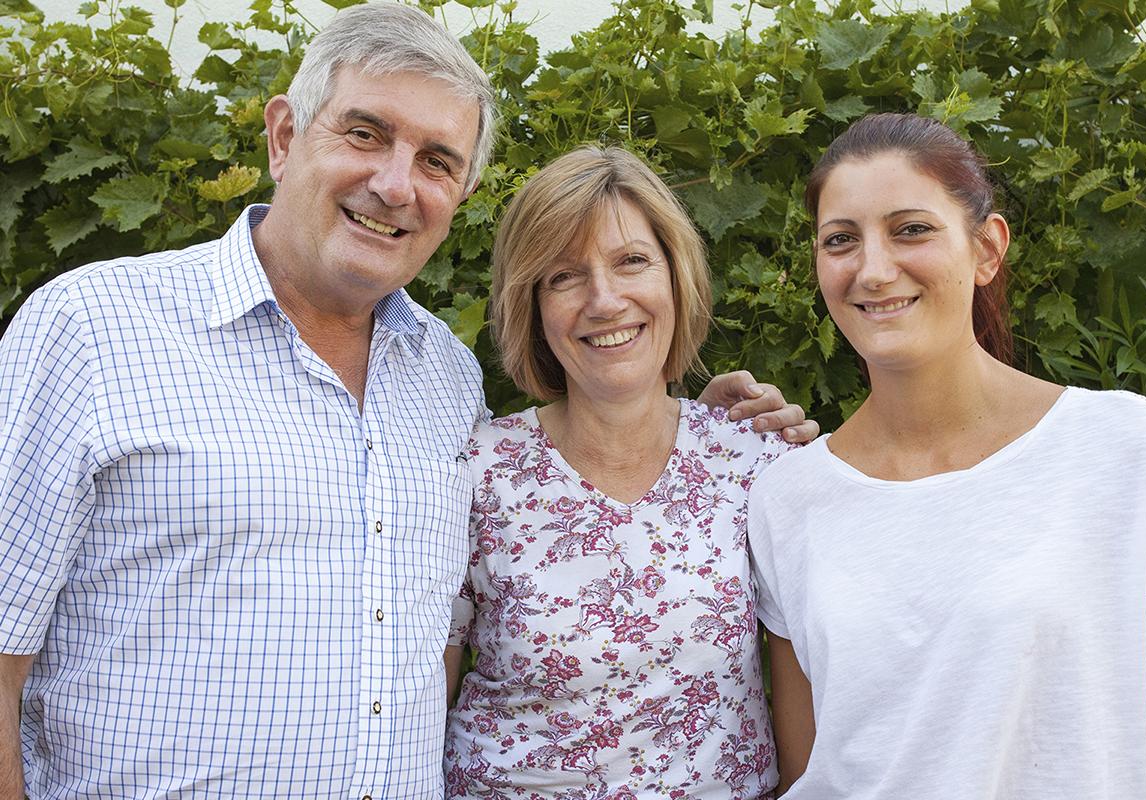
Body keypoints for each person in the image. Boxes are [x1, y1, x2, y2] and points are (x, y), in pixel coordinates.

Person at [0, 5, 812, 799]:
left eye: (435, 160)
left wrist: (708, 426)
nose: (395, 184)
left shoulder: (443, 379)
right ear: (284, 137)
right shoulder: (95, 330)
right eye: (365, 134)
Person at [749, 113, 1146, 799]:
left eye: (911, 229)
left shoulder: (1130, 451)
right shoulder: (787, 497)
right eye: (840, 240)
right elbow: (808, 771)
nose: (873, 269)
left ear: (987, 249)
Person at [442, 146, 793, 799]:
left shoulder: (754, 462)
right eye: (564, 276)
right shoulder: (479, 474)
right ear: (534, 308)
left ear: (676, 276)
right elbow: (420, 695)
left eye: (631, 261)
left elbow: (816, 685)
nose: (605, 300)